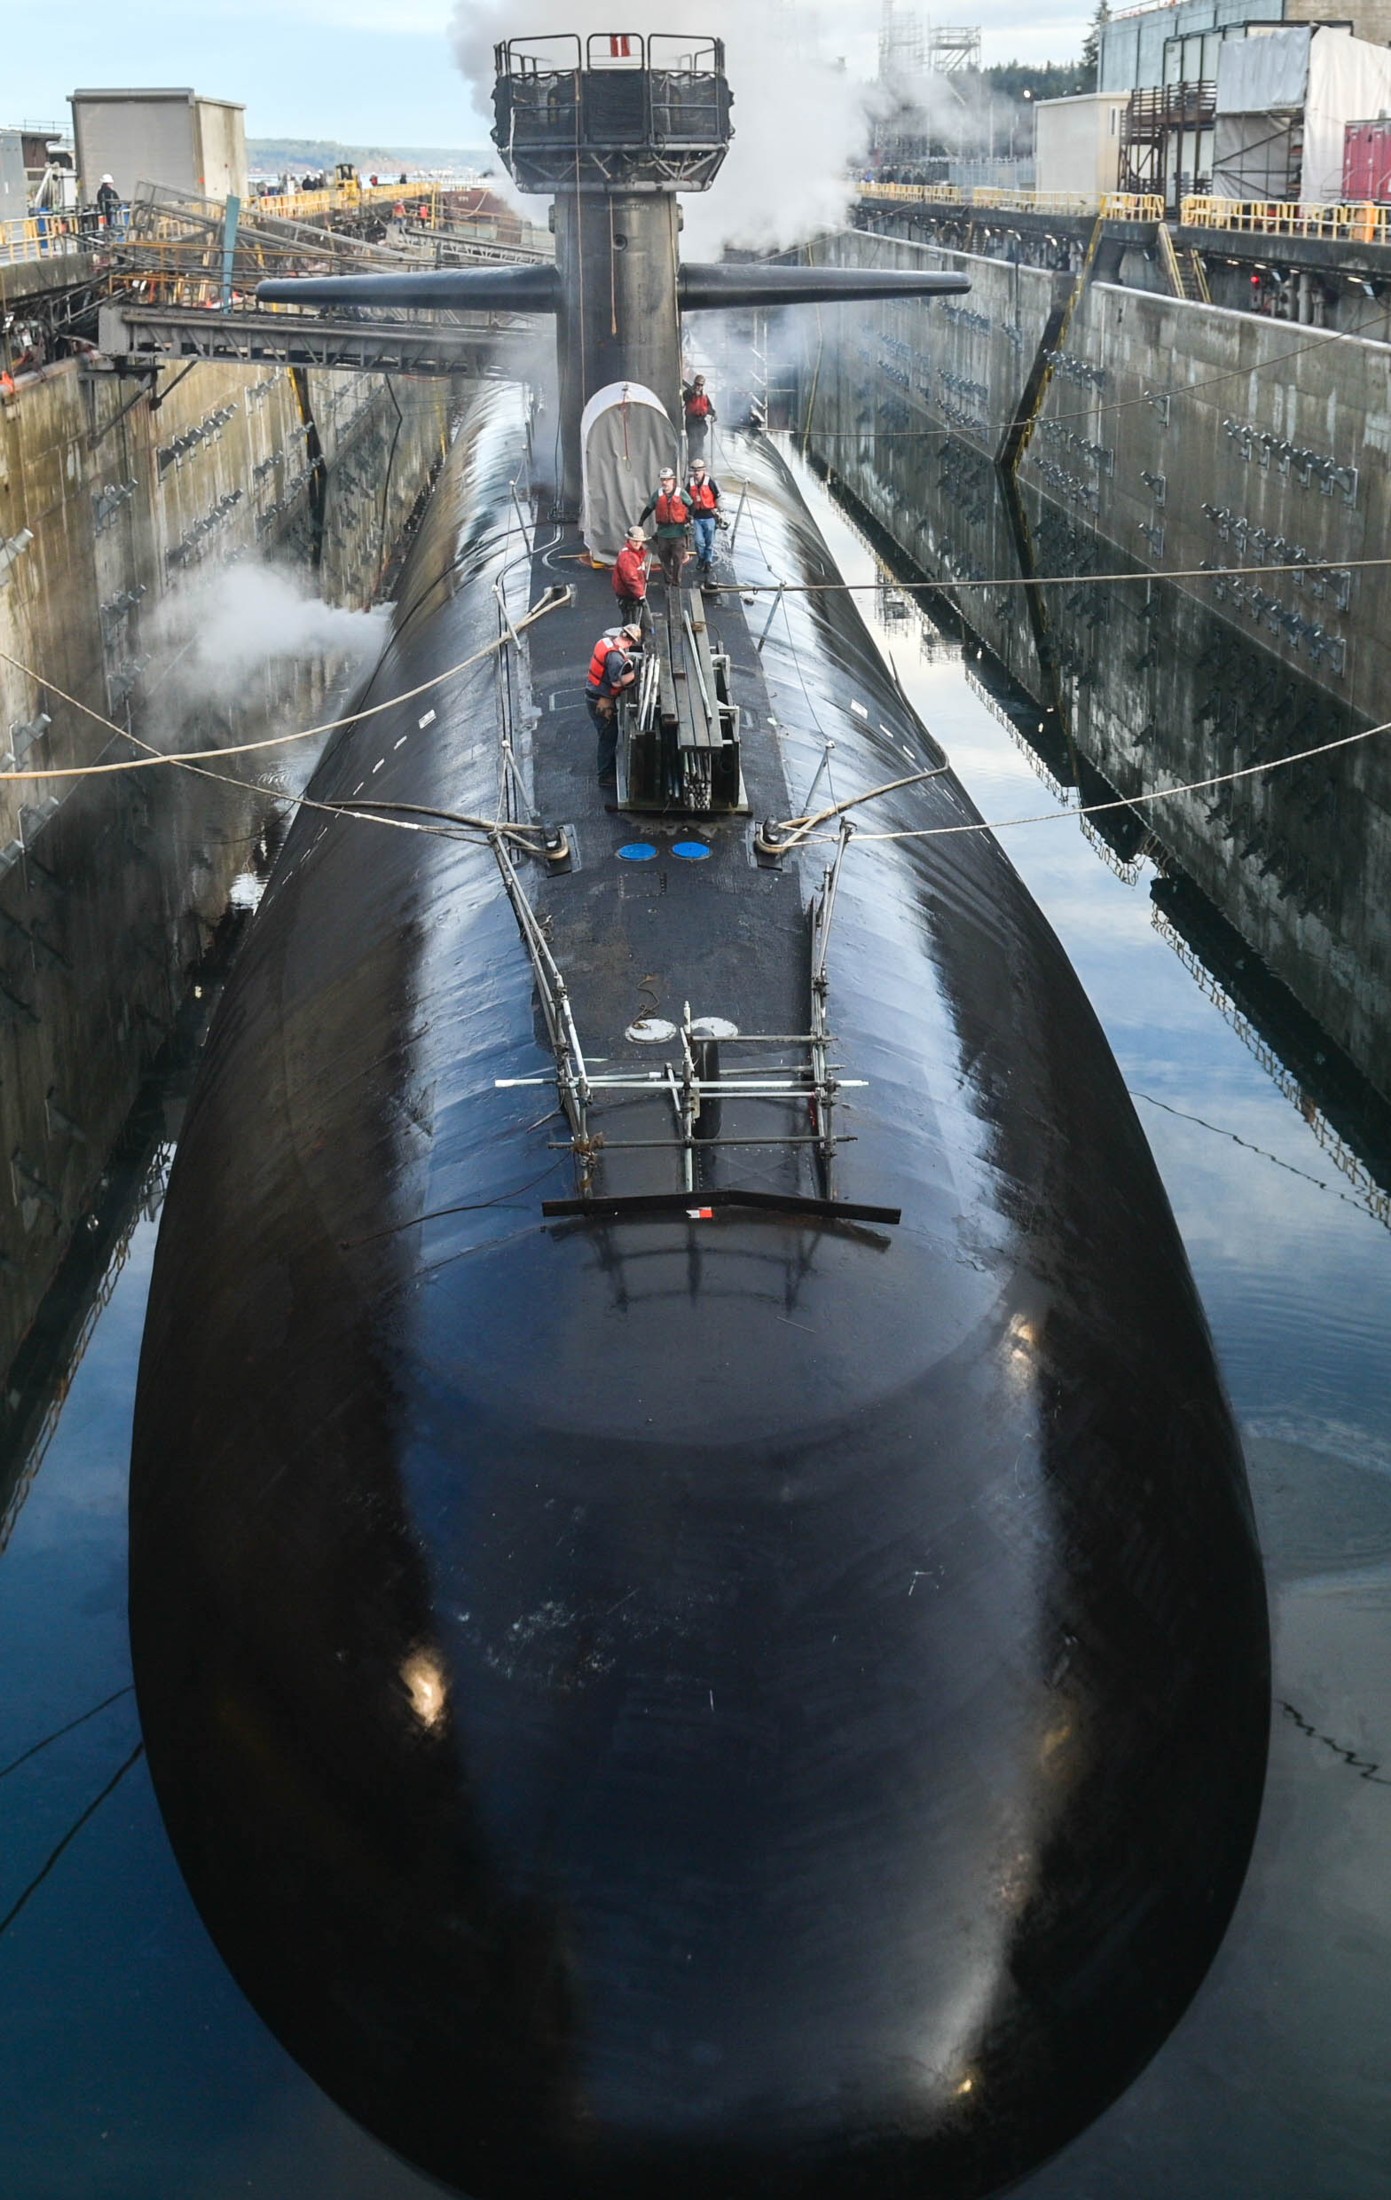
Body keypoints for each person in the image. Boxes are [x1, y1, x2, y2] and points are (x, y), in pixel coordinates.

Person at [584, 622, 643, 784]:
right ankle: (605, 775)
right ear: (630, 642)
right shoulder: (616, 658)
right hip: (601, 701)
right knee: (608, 736)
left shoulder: (605, 642)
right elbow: (620, 682)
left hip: (593, 693)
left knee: (605, 733)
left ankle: (606, 764)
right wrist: (636, 674)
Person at [638, 468, 691, 588]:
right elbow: (649, 508)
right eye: (663, 480)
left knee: (678, 559)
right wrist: (641, 521)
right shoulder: (657, 495)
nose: (664, 482)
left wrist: (691, 518)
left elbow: (691, 505)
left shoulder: (681, 493)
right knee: (664, 558)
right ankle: (668, 581)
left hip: (678, 532)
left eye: (667, 480)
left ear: (673, 480)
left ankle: (676, 583)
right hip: (663, 533)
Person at [684, 459, 721, 582]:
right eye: (694, 470)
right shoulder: (690, 484)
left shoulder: (709, 482)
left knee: (709, 541)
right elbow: (685, 499)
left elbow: (717, 496)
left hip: (709, 516)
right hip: (697, 517)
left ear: (703, 471)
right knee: (699, 541)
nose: (696, 473)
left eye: (698, 470)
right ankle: (701, 558)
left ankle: (708, 561)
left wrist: (719, 511)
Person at [612, 525, 652, 626]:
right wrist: (641, 596)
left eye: (639, 541)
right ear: (629, 540)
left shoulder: (636, 554)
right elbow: (631, 579)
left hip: (634, 594)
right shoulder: (627, 557)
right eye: (634, 540)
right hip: (629, 596)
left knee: (636, 621)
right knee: (634, 623)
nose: (637, 543)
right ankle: (636, 640)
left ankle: (639, 639)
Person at [683, 373, 716, 460]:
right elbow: (685, 397)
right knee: (692, 443)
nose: (698, 386)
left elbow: (708, 407)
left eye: (700, 385)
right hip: (691, 422)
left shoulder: (704, 396)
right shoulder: (688, 393)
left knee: (700, 443)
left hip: (700, 422)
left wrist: (714, 413)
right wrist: (693, 394)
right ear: (694, 383)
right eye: (697, 384)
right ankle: (691, 462)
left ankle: (699, 460)